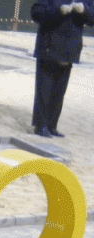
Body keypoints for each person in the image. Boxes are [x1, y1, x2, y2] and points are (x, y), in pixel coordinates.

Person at [31, 0, 94, 138]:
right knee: (44, 91)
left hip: (69, 50)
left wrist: (84, 10)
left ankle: (52, 125)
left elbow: (92, 18)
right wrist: (58, 11)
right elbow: (36, 13)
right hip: (49, 47)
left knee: (59, 92)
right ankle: (40, 126)